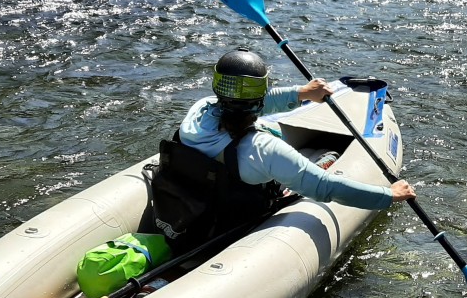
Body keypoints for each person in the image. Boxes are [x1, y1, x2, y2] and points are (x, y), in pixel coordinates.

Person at [149, 47, 415, 250]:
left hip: (198, 205)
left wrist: (301, 94)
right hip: (229, 221)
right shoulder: (263, 149)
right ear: (261, 91)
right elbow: (325, 187)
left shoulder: (200, 112)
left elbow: (243, 104)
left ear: (218, 84)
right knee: (322, 159)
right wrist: (388, 194)